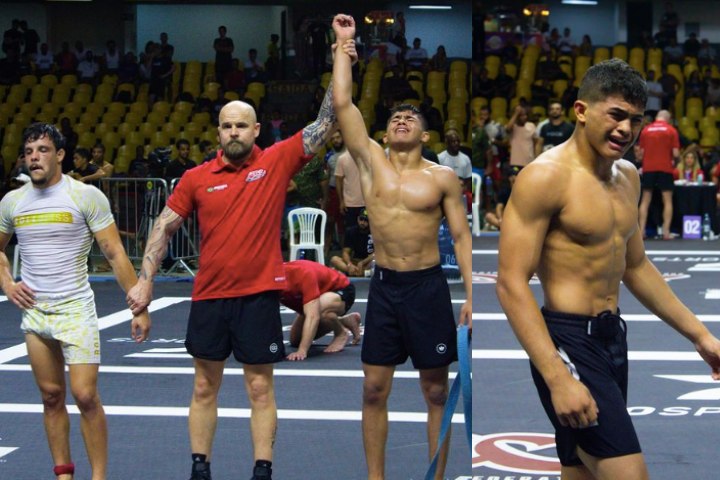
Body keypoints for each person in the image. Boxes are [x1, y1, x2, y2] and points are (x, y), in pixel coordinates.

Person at [126, 38, 357, 480]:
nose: (233, 132)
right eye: (227, 126)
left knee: (259, 387)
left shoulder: (274, 162)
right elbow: (164, 227)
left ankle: (262, 470)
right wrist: (145, 280)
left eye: (241, 126)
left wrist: (340, 54)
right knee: (203, 385)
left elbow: (326, 120)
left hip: (257, 297)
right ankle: (200, 469)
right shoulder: (195, 178)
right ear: (219, 132)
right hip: (210, 298)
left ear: (256, 131)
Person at [495, 58, 720, 480]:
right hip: (568, 343)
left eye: (635, 119)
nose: (626, 129)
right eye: (616, 115)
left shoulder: (628, 177)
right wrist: (557, 377)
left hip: (612, 337)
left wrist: (701, 336)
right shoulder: (544, 178)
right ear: (581, 110)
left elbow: (635, 266)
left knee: (580, 472)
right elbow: (510, 283)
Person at [331, 14, 472, 480]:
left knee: (435, 391)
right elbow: (344, 101)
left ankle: (435, 475)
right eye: (395, 116)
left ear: (426, 135)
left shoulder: (443, 177)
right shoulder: (370, 162)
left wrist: (471, 296)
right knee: (373, 388)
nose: (401, 118)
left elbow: (462, 236)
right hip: (387, 288)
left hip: (428, 288)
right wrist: (342, 45)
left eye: (411, 117)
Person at [0, 123, 151, 480]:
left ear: (61, 155)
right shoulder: (12, 201)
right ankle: (63, 475)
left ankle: (99, 476)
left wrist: (139, 307)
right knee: (51, 397)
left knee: (84, 396)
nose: (34, 157)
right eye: (29, 151)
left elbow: (114, 253)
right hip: (35, 313)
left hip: (76, 311)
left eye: (43, 150)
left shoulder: (85, 196)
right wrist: (7, 283)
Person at [280, 259, 362, 361]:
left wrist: (302, 350)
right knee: (296, 340)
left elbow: (313, 316)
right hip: (315, 300)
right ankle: (346, 321)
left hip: (340, 289)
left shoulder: (302, 273)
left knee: (319, 311)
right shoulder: (266, 282)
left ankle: (341, 332)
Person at [637, 110, 680, 240]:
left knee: (645, 200)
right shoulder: (671, 130)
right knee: (667, 200)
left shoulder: (646, 130)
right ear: (668, 118)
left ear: (657, 118)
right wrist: (674, 162)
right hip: (665, 168)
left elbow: (639, 154)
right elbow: (676, 154)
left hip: (648, 168)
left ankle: (641, 232)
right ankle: (666, 232)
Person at [330, 208, 374, 277]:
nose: (362, 222)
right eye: (361, 219)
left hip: (368, 262)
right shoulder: (351, 231)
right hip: (354, 261)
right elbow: (345, 252)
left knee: (378, 262)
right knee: (334, 259)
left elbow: (377, 253)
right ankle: (358, 272)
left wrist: (363, 262)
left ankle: (360, 272)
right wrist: (349, 264)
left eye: (366, 220)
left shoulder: (375, 233)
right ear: (357, 219)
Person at [484, 164, 520, 230]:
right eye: (514, 175)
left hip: (517, 218)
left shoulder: (522, 190)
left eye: (518, 175)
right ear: (510, 178)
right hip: (505, 218)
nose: (516, 177)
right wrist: (500, 219)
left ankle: (504, 228)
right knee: (489, 216)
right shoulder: (504, 191)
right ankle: (505, 227)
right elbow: (499, 207)